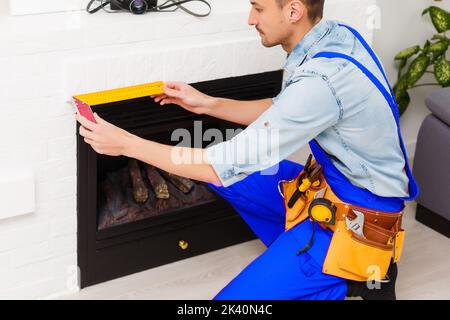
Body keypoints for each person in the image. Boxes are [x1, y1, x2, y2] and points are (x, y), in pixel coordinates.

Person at [76, 0, 418, 300]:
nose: (250, 19)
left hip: (358, 217)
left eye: (258, 8)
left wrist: (127, 144)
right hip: (325, 188)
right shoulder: (332, 37)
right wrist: (207, 103)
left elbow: (219, 164)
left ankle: (360, 274)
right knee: (229, 179)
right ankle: (307, 261)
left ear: (294, 10)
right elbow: (283, 108)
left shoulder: (321, 79)